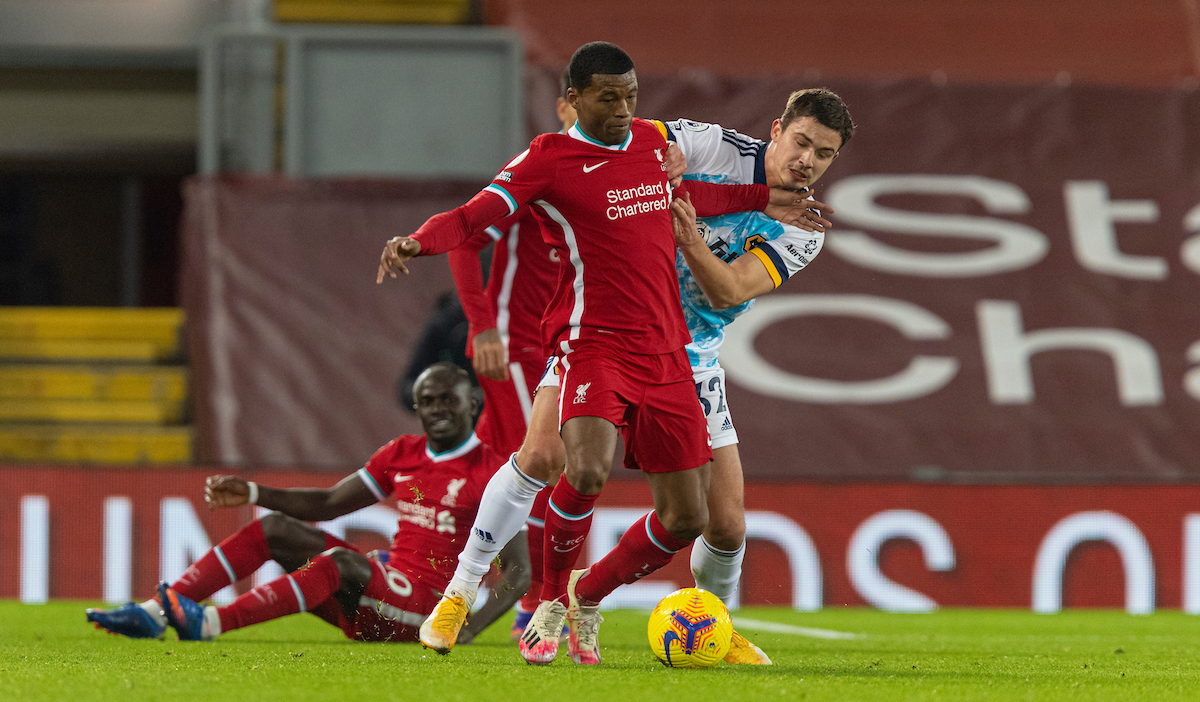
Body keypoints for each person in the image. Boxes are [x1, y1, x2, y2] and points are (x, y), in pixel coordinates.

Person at [377, 41, 821, 667]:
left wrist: (761, 202)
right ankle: (479, 593)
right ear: (573, 100)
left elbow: (685, 197)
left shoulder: (646, 145)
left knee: (696, 518)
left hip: (674, 352)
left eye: (630, 97)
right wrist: (417, 241)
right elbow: (473, 218)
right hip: (593, 341)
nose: (622, 109)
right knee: (562, 462)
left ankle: (591, 599)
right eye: (608, 97)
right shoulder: (549, 158)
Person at [86, 363, 527, 645]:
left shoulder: (494, 473)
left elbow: (520, 569)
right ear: (416, 407)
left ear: (473, 403)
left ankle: (211, 624)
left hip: (427, 608)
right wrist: (255, 493)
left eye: (448, 400)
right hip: (382, 596)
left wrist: (468, 626)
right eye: (427, 401)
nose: (437, 410)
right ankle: (153, 612)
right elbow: (331, 502)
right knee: (276, 529)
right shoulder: (402, 453)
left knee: (342, 562)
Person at [444, 69, 576, 642]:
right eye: (590, 105)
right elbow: (463, 238)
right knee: (544, 465)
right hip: (516, 348)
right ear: (565, 106)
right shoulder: (537, 176)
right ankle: (536, 603)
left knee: (501, 470)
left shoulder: (608, 181)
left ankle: (434, 574)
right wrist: (483, 328)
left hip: (558, 350)